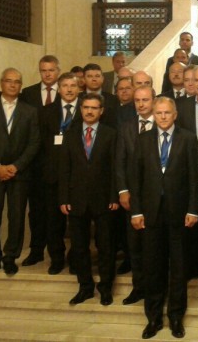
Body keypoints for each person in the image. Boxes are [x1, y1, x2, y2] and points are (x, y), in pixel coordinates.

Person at [129, 97, 198, 340]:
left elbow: (194, 177)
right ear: (154, 114)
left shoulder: (188, 138)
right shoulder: (143, 139)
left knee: (178, 268)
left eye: (167, 113)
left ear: (175, 114)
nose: (162, 117)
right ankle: (153, 318)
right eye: (158, 113)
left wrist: (193, 209)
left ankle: (176, 317)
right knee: (152, 267)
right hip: (150, 214)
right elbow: (135, 178)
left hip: (179, 213)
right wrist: (136, 211)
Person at [0, 68, 40, 276]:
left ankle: (10, 257)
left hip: (19, 174)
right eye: (9, 81)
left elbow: (34, 143)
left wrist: (16, 166)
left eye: (17, 82)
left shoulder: (30, 111)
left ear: (21, 86)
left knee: (17, 218)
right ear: (1, 83)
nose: (13, 85)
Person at [58, 93, 118, 306]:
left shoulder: (111, 134)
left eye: (94, 108)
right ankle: (85, 287)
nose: (89, 111)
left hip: (104, 199)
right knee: (79, 247)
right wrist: (63, 198)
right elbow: (64, 168)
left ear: (101, 111)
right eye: (86, 107)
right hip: (76, 199)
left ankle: (106, 287)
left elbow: (115, 168)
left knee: (106, 247)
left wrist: (114, 196)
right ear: (80, 110)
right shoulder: (70, 134)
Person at [115, 85, 156, 306]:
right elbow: (119, 161)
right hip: (133, 197)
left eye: (145, 100)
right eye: (137, 101)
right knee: (135, 246)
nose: (141, 104)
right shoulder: (126, 127)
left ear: (154, 100)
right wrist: (123, 190)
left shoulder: (163, 123)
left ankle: (157, 288)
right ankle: (138, 287)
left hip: (157, 197)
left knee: (156, 247)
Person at [19, 55, 60, 267]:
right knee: (35, 211)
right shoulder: (28, 94)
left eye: (51, 70)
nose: (47, 74)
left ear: (58, 71)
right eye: (44, 70)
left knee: (55, 214)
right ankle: (36, 251)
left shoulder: (66, 93)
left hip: (58, 163)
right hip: (34, 164)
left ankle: (56, 254)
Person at [39, 72, 80, 275]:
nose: (69, 89)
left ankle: (76, 258)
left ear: (79, 88)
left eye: (73, 85)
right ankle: (56, 258)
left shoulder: (87, 109)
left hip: (79, 177)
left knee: (78, 223)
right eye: (65, 86)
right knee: (53, 222)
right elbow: (41, 144)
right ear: (59, 88)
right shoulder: (46, 111)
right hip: (53, 175)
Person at [83, 63, 119, 128]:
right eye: (90, 76)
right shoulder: (78, 98)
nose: (94, 79)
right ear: (84, 79)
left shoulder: (113, 99)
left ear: (102, 78)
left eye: (97, 76)